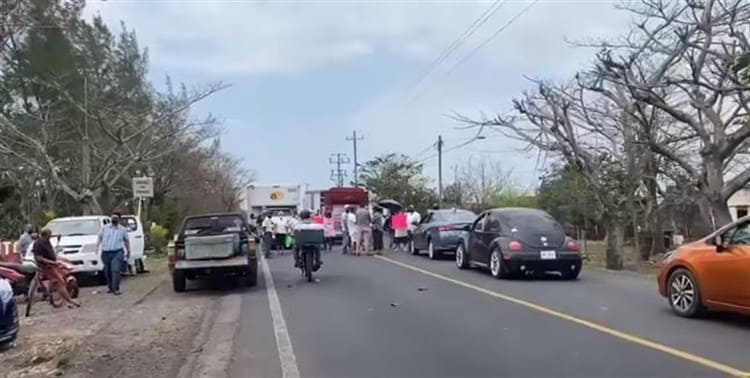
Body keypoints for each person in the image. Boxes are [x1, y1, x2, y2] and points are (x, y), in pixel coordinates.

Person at [32, 228, 80, 307]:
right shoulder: (38, 244)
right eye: (49, 236)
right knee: (59, 282)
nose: (50, 237)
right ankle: (70, 301)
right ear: (45, 235)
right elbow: (38, 257)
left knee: (61, 280)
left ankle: (64, 300)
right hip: (46, 266)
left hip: (52, 264)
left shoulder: (47, 242)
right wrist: (51, 262)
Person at [96, 212, 130, 296]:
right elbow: (99, 237)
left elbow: (126, 240)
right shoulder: (105, 228)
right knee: (107, 271)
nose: (114, 219)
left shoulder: (122, 229)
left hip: (117, 252)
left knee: (115, 269)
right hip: (106, 252)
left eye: (116, 218)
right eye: (112, 217)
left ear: (119, 219)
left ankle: (116, 288)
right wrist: (97, 247)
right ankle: (110, 287)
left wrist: (128, 250)